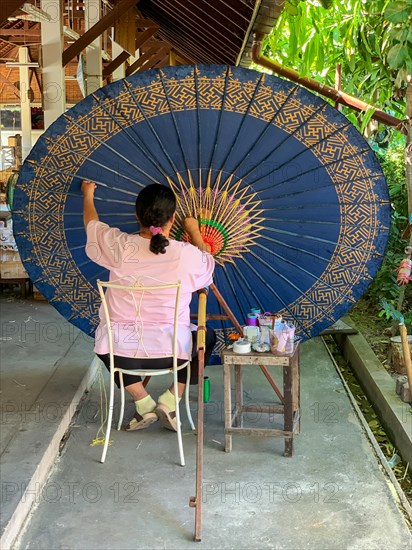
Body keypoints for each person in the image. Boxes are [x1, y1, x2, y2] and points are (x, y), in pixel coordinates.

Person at [82, 181, 216, 432]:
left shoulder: (118, 246)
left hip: (122, 352)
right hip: (174, 353)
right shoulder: (186, 254)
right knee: (206, 336)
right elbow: (209, 263)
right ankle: (170, 399)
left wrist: (88, 195)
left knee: (104, 338)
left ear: (137, 214)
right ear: (173, 218)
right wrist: (194, 230)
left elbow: (92, 225)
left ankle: (143, 401)